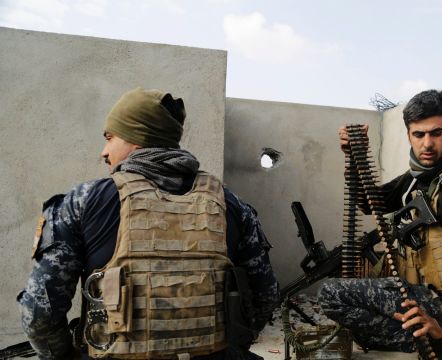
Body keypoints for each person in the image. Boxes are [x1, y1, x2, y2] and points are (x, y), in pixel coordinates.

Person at [17, 88, 279, 360]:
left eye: (110, 137)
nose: (104, 152)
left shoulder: (82, 202)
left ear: (137, 138)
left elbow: (39, 314)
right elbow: (265, 296)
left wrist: (67, 356)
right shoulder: (233, 204)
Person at [318, 90, 442, 359]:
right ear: (409, 135)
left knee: (333, 294)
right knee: (337, 294)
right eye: (418, 135)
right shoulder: (421, 176)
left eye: (436, 133)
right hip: (428, 294)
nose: (427, 144)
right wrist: (354, 157)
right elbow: (371, 203)